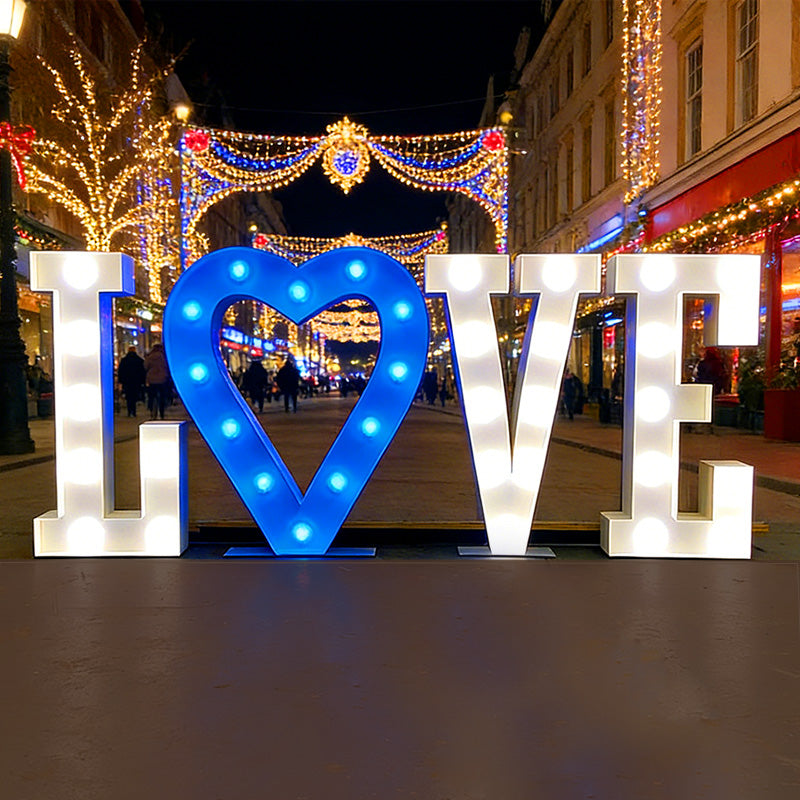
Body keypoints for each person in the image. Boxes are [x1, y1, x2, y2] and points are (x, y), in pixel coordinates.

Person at [144, 342, 170, 420]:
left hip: (152, 379)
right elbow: (167, 367)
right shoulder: (164, 357)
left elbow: (145, 366)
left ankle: (152, 412)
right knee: (162, 397)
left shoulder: (150, 357)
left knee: (152, 396)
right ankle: (162, 413)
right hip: (162, 379)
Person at [117, 346, 146, 417]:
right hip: (136, 381)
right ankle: (134, 411)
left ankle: (129, 411)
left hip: (127, 381)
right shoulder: (139, 360)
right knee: (134, 396)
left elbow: (120, 371)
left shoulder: (124, 360)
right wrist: (143, 381)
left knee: (128, 396)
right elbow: (142, 372)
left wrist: (120, 380)